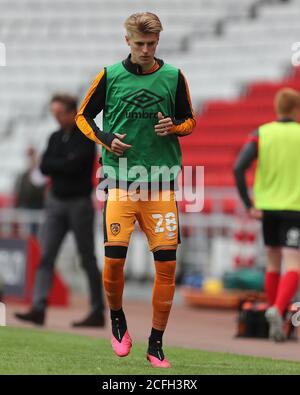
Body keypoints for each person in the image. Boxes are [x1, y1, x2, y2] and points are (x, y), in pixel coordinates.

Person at [76, 12, 196, 367]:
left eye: (152, 43)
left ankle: (156, 342)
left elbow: (190, 120)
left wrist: (174, 126)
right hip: (120, 183)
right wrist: (106, 138)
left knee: (167, 267)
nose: (146, 50)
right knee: (114, 263)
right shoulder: (110, 76)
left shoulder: (173, 77)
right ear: (127, 41)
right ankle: (117, 317)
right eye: (140, 43)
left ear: (158, 41)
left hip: (160, 187)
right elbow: (83, 116)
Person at [15, 93, 105, 328]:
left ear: (72, 112)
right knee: (46, 256)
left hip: (78, 203)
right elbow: (47, 166)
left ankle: (97, 310)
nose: (56, 118)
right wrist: (63, 164)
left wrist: (59, 165)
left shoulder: (85, 137)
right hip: (57, 202)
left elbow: (74, 165)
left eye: (59, 113)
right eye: (54, 114)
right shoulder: (55, 137)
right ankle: (39, 307)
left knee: (87, 258)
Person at [234, 87, 300, 342]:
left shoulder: (261, 133)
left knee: (272, 262)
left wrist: (248, 203)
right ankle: (278, 310)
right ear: (295, 109)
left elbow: (239, 168)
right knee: (293, 263)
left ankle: (275, 319)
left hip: (267, 208)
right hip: (295, 208)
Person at [14, 146, 46, 235]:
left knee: (35, 230)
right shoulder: (24, 175)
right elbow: (21, 191)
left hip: (37, 205)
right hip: (27, 205)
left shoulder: (39, 173)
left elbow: (40, 190)